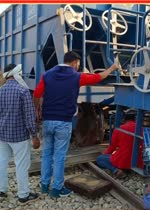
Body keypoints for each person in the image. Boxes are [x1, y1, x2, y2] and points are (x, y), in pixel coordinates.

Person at [33, 51, 119, 198]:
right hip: (63, 122)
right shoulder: (76, 76)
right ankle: (57, 189)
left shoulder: (47, 75)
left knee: (47, 154)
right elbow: (99, 77)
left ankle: (45, 185)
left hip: (48, 121)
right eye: (78, 64)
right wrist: (112, 68)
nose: (78, 67)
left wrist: (37, 110)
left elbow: (36, 94)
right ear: (73, 62)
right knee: (59, 156)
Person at [0, 63, 40, 204]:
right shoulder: (23, 92)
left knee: (2, 163)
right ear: (17, 74)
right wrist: (34, 136)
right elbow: (29, 117)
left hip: (3, 136)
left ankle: (0, 191)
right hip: (19, 137)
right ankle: (23, 194)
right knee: (22, 165)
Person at [96, 111, 144, 178]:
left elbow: (112, 147)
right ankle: (128, 170)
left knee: (100, 159)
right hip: (136, 162)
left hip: (122, 162)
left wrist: (105, 154)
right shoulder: (141, 129)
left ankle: (116, 170)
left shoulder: (119, 129)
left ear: (124, 119)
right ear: (135, 119)